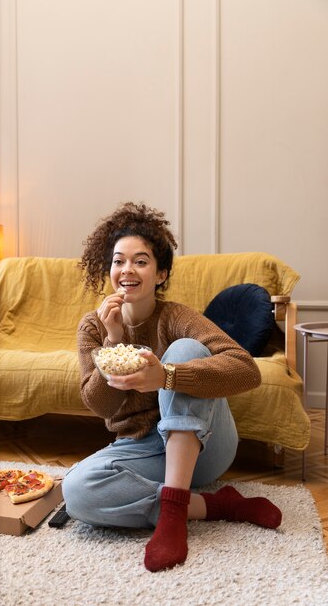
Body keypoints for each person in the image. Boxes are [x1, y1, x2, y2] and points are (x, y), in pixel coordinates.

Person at [62, 202, 282, 573]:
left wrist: (166, 376)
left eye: (141, 261)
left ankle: (173, 516)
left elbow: (247, 370)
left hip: (205, 446)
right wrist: (112, 342)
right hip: (144, 451)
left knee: (185, 351)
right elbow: (100, 405)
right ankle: (220, 505)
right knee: (76, 493)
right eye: (118, 261)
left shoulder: (176, 316)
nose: (127, 270)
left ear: (161, 273)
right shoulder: (93, 327)